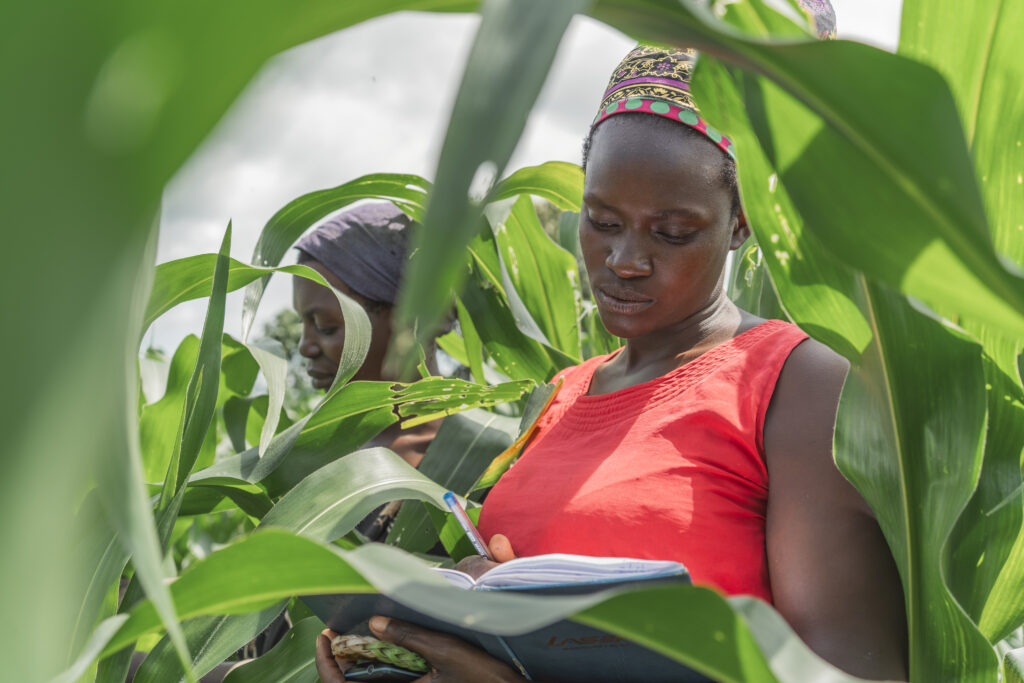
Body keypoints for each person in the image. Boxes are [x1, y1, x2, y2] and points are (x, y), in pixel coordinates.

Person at [315, 41, 908, 683]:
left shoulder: (797, 383)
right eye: (601, 221)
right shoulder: (563, 394)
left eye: (672, 232)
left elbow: (855, 672)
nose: (625, 260)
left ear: (740, 223)